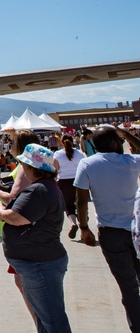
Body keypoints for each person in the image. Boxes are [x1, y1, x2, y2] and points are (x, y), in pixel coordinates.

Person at [0, 144, 71, 333]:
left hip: (39, 263)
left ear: (32, 167)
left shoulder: (38, 190)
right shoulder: (45, 188)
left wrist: (1, 212)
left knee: (52, 320)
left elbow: (17, 217)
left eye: (24, 164)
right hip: (37, 261)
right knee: (45, 318)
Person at [74, 125, 140, 331]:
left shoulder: (87, 164)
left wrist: (83, 227)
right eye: (119, 141)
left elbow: (81, 200)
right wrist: (127, 134)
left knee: (127, 286)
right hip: (136, 229)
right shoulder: (131, 162)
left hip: (110, 232)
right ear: (114, 143)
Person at [52, 134, 85, 239]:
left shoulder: (57, 154)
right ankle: (84, 227)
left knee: (69, 205)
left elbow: (55, 169)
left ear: (61, 142)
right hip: (79, 180)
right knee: (82, 204)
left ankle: (73, 223)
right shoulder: (80, 153)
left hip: (64, 181)